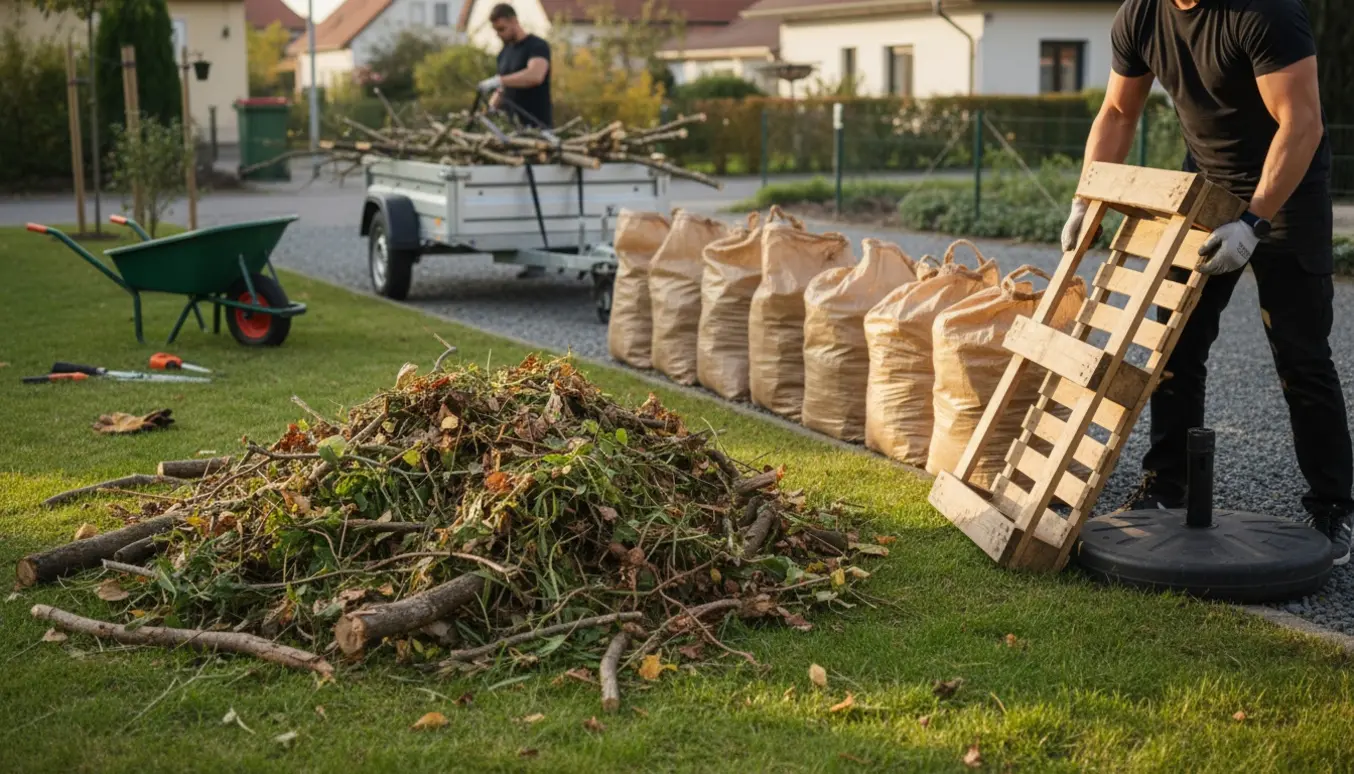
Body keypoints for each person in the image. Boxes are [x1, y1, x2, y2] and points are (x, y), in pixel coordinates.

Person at [1061, 0, 1352, 564]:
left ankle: (1333, 507)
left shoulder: (1263, 12)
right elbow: (1119, 112)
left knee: (1302, 357)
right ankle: (1169, 487)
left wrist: (1253, 221)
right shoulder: (1141, 16)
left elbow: (1303, 122)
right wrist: (1086, 198)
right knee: (1174, 344)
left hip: (1287, 194)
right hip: (1206, 191)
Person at [477, 3, 553, 129]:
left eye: (502, 29)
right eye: (496, 31)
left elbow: (535, 76)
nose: (498, 34)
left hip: (537, 126)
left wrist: (499, 80)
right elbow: (501, 90)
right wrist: (488, 111)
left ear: (514, 21)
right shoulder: (503, 53)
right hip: (511, 128)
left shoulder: (537, 46)